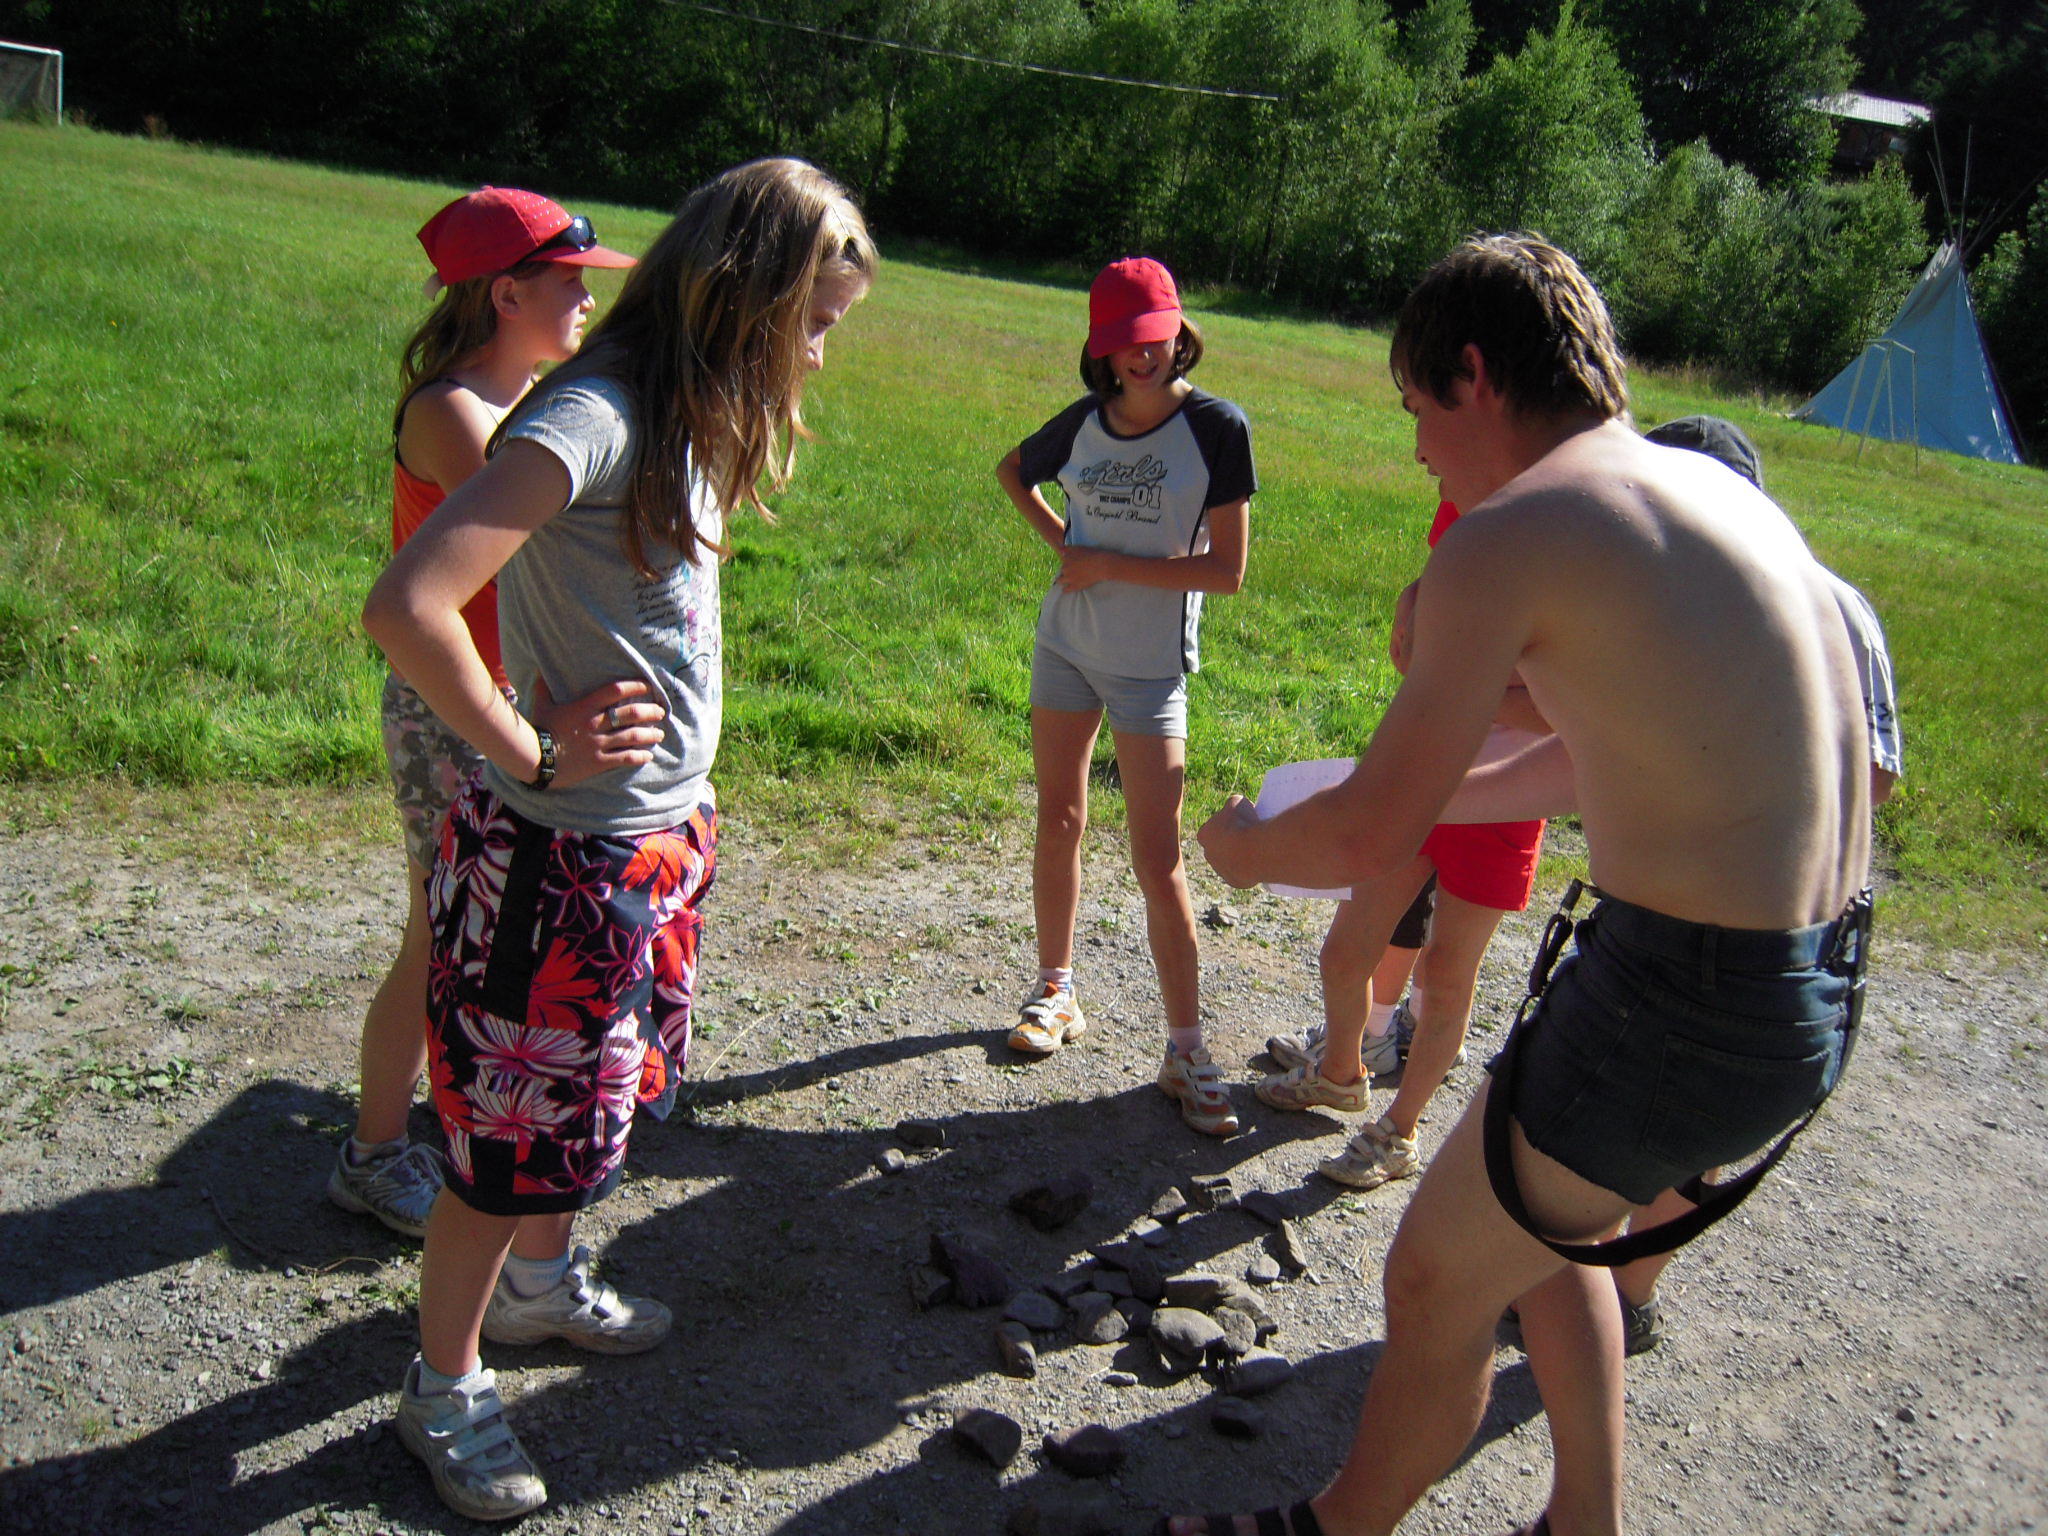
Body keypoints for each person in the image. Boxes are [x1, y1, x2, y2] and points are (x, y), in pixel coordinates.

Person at [1174, 233, 1872, 1536]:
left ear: (1476, 374)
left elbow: (1363, 837)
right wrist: (1421, 793)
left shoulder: (1517, 531)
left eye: (1416, 409)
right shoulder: (1705, 495)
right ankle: (1581, 1524)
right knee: (1547, 1238)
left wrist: (1247, 846)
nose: (1417, 451)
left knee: (1436, 1276)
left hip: (1683, 998)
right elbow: (1595, 757)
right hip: (1811, 984)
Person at [362, 159, 875, 1521]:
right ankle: (442, 1383)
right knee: (503, 1149)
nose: (820, 354)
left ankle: (536, 1287)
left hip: (652, 841)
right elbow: (409, 604)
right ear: (745, 300)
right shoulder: (592, 413)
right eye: (814, 323)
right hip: (558, 856)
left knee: (589, 1115)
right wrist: (528, 747)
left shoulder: (689, 412)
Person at [329, 187, 636, 1239]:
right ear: (505, 295)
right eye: (570, 284)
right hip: (455, 706)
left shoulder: (533, 397)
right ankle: (374, 1155)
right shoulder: (455, 414)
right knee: (437, 935)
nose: (587, 301)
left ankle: (458, 1116)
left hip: (510, 696)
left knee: (477, 934)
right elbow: (550, 540)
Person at [995, 257, 1257, 1136]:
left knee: (1158, 859)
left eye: (1156, 337)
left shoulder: (1216, 429)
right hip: (1065, 648)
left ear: (1179, 333)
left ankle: (1187, 1049)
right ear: (1101, 351)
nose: (1143, 356)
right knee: (1059, 818)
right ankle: (1056, 990)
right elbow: (1011, 472)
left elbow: (1228, 572)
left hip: (1150, 669)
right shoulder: (1083, 423)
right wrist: (1065, 547)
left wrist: (1106, 561)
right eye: (1123, 342)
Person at [1256, 498, 1546, 1190]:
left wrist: (1458, 681)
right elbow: (1440, 577)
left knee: (1446, 976)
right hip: (1422, 764)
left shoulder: (1571, 529)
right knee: (1344, 951)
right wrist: (1413, 602)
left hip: (1511, 797)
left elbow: (1560, 706)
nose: (1422, 453)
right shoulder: (1471, 493)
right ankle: (1341, 1072)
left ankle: (1401, 1131)